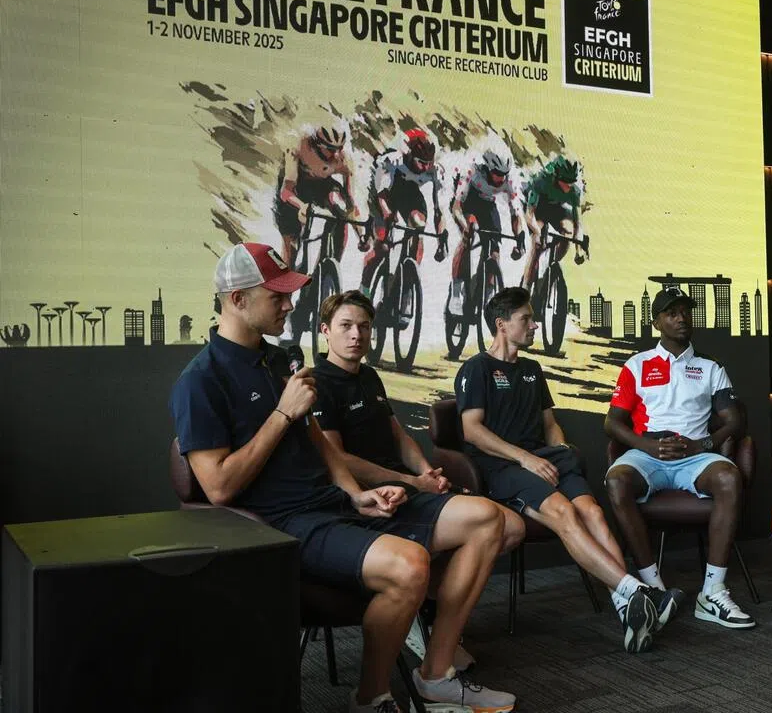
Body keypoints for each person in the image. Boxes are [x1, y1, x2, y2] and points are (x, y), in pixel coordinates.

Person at [170, 242, 516, 713]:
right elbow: (219, 487)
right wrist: (280, 413)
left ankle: (436, 676)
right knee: (410, 565)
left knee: (486, 518)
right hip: (284, 523)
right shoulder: (200, 380)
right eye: (277, 296)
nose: (289, 304)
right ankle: (371, 697)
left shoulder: (278, 360)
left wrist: (357, 494)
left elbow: (316, 439)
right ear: (237, 300)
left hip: (333, 506)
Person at [454, 287, 681, 654]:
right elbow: (471, 431)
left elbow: (550, 423)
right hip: (503, 466)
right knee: (563, 512)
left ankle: (630, 610)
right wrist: (525, 459)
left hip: (544, 458)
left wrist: (559, 447)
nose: (534, 324)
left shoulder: (531, 369)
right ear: (501, 325)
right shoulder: (476, 368)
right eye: (525, 319)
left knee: (592, 511)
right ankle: (638, 592)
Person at [312, 289, 527, 669]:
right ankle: (427, 623)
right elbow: (338, 459)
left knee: (510, 528)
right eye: (345, 326)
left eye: (363, 327)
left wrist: (425, 473)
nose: (356, 335)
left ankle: (423, 608)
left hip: (406, 486)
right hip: (367, 498)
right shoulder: (318, 383)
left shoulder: (370, 376)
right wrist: (410, 482)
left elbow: (399, 436)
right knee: (488, 527)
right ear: (325, 331)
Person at [604, 287, 756, 629]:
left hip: (694, 457)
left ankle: (712, 592)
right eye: (671, 312)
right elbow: (611, 422)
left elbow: (734, 421)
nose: (681, 318)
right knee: (616, 481)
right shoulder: (637, 364)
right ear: (656, 321)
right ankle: (651, 586)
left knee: (730, 478)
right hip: (648, 455)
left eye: (685, 311)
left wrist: (703, 445)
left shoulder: (710, 367)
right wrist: (647, 447)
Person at [274, 121, 365, 343]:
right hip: (295, 193)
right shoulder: (298, 149)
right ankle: (284, 310)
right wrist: (301, 206)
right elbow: (286, 192)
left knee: (340, 206)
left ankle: (324, 275)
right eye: (329, 150)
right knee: (292, 254)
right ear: (316, 145)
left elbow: (350, 204)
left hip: (322, 189)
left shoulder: (343, 160)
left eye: (338, 150)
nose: (335, 154)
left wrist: (360, 233)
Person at [361, 128, 449, 323]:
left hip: (408, 192)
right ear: (409, 155)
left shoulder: (435, 170)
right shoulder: (392, 161)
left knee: (418, 225)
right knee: (382, 246)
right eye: (421, 162)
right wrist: (387, 215)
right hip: (382, 194)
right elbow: (382, 196)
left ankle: (407, 285)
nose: (426, 167)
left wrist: (442, 236)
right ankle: (363, 294)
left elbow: (438, 210)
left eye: (429, 163)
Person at [446, 140, 526, 316]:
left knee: (494, 252)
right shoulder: (472, 170)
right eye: (497, 173)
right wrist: (464, 226)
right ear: (488, 168)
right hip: (467, 201)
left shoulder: (508, 180)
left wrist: (519, 238)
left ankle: (489, 291)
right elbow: (457, 208)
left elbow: (516, 214)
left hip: (487, 204)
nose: (501, 178)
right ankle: (456, 291)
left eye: (504, 174)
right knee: (470, 232)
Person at [518, 155, 589, 291]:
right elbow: (529, 215)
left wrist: (578, 249)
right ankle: (525, 286)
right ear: (556, 177)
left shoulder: (575, 191)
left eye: (571, 182)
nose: (569, 185)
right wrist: (537, 233)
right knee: (537, 242)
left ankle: (550, 262)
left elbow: (577, 223)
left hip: (558, 208)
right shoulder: (541, 181)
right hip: (538, 208)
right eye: (565, 181)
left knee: (568, 232)